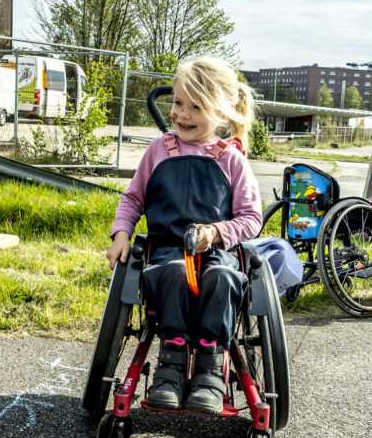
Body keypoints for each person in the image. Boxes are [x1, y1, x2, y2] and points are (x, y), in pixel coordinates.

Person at [106, 57, 261, 415]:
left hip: (216, 252)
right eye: (178, 103)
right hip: (166, 248)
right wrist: (121, 234)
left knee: (223, 277)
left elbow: (251, 218)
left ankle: (210, 368)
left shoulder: (232, 160)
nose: (182, 114)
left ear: (221, 112)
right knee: (171, 272)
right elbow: (133, 198)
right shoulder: (159, 149)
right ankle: (171, 365)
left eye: (195, 106)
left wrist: (217, 232)